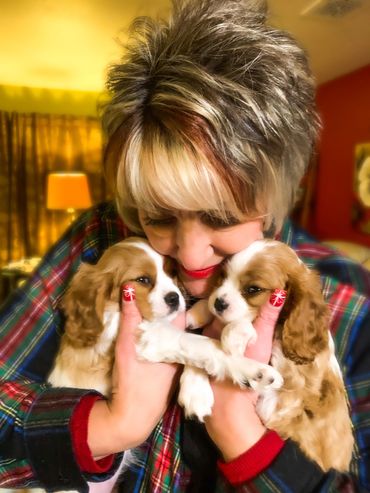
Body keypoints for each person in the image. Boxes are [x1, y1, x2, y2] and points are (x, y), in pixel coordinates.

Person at [1, 0, 369, 491]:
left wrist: (245, 439)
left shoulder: (347, 301)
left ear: (280, 194)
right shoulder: (102, 241)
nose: (191, 258)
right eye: (157, 217)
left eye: (221, 217)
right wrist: (112, 426)